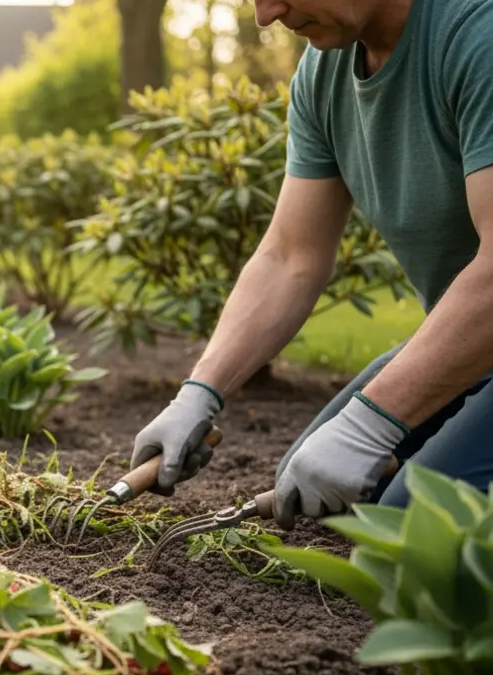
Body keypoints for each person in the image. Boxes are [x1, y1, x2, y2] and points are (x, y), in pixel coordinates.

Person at [129, 0, 493, 526]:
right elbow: (291, 255)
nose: (266, 14)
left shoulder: (476, 32)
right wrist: (199, 393)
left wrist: (371, 424)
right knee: (323, 490)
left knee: (414, 531)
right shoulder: (324, 72)